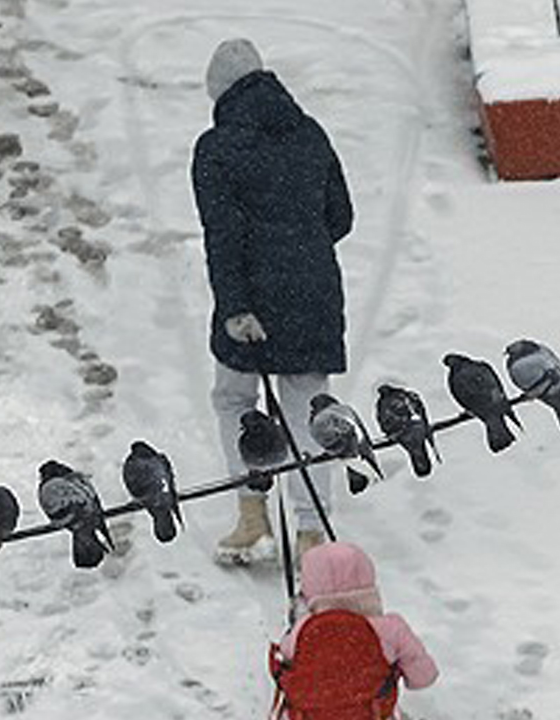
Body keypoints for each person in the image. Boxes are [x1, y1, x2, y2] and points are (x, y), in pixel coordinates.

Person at [191, 38, 354, 565]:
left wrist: (237, 306)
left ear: (220, 94)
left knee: (236, 401)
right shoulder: (309, 134)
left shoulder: (217, 148)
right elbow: (341, 217)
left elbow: (222, 233)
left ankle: (252, 515)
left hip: (252, 297)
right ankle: (310, 534)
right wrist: (298, 247)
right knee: (309, 409)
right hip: (313, 293)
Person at [270, 542, 438, 719]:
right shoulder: (391, 629)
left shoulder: (302, 631)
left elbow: (284, 670)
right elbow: (424, 676)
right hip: (372, 713)